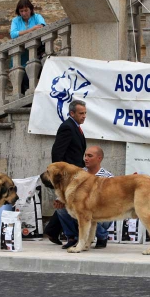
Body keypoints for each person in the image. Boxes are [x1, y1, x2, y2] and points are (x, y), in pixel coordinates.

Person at [55, 146, 114, 249]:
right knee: (63, 210)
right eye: (85, 155)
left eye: (89, 156)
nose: (85, 158)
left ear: (99, 158)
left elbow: (111, 200)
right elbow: (67, 191)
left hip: (102, 214)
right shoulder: (76, 174)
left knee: (86, 213)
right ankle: (72, 238)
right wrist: (60, 201)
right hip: (81, 210)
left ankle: (102, 236)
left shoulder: (108, 177)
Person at [49, 99, 86, 248]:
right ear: (72, 113)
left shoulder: (75, 127)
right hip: (68, 176)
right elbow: (57, 152)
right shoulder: (67, 127)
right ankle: (70, 236)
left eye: (85, 113)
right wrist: (60, 177)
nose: (84, 116)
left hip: (76, 174)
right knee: (67, 204)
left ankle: (52, 230)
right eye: (81, 113)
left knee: (68, 204)